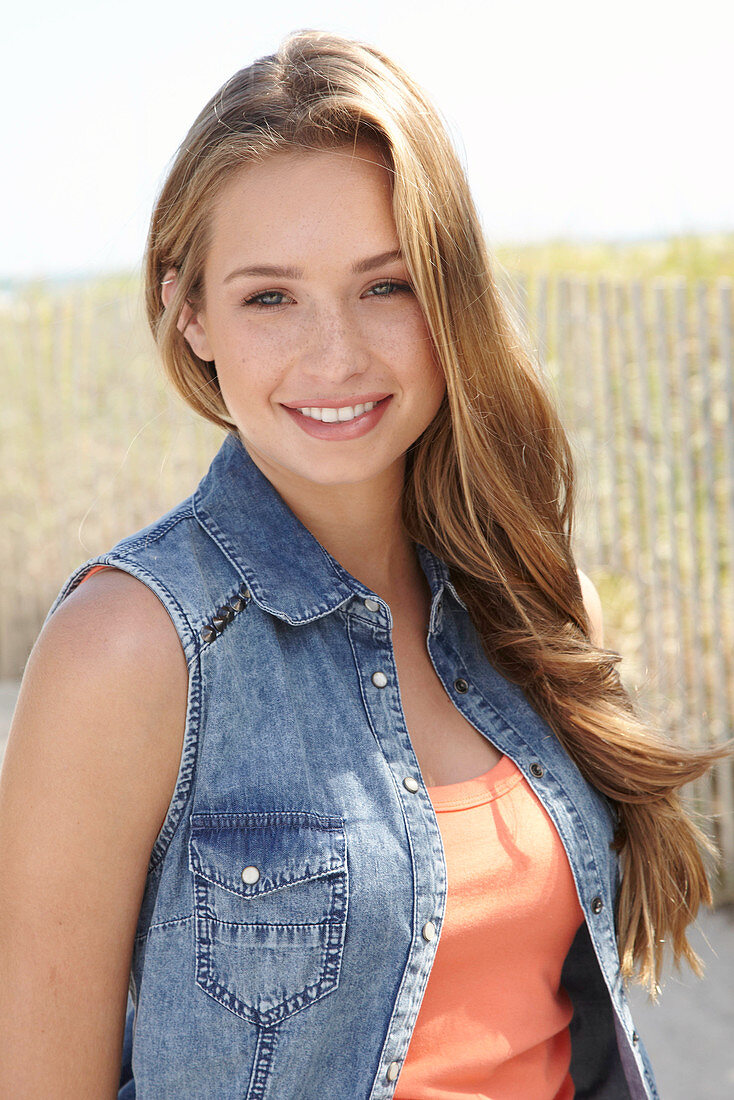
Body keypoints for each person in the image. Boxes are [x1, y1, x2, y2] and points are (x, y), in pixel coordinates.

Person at [0, 28, 729, 1100]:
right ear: (187, 310)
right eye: (268, 296)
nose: (334, 353)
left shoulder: (522, 593)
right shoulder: (129, 648)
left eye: (384, 286)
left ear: (448, 293)